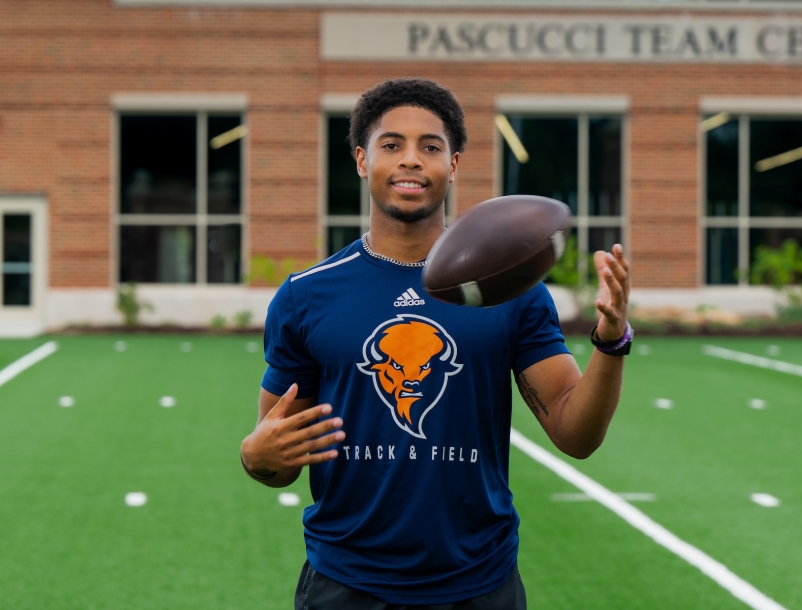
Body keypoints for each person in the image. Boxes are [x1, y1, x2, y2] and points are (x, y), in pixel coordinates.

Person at [238, 77, 632, 610]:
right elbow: (278, 455)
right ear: (361, 160)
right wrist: (253, 455)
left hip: (478, 582)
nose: (411, 160)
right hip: (347, 582)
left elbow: (575, 434)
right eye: (391, 144)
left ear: (453, 166)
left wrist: (610, 342)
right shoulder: (307, 295)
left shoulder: (513, 292)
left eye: (431, 146)